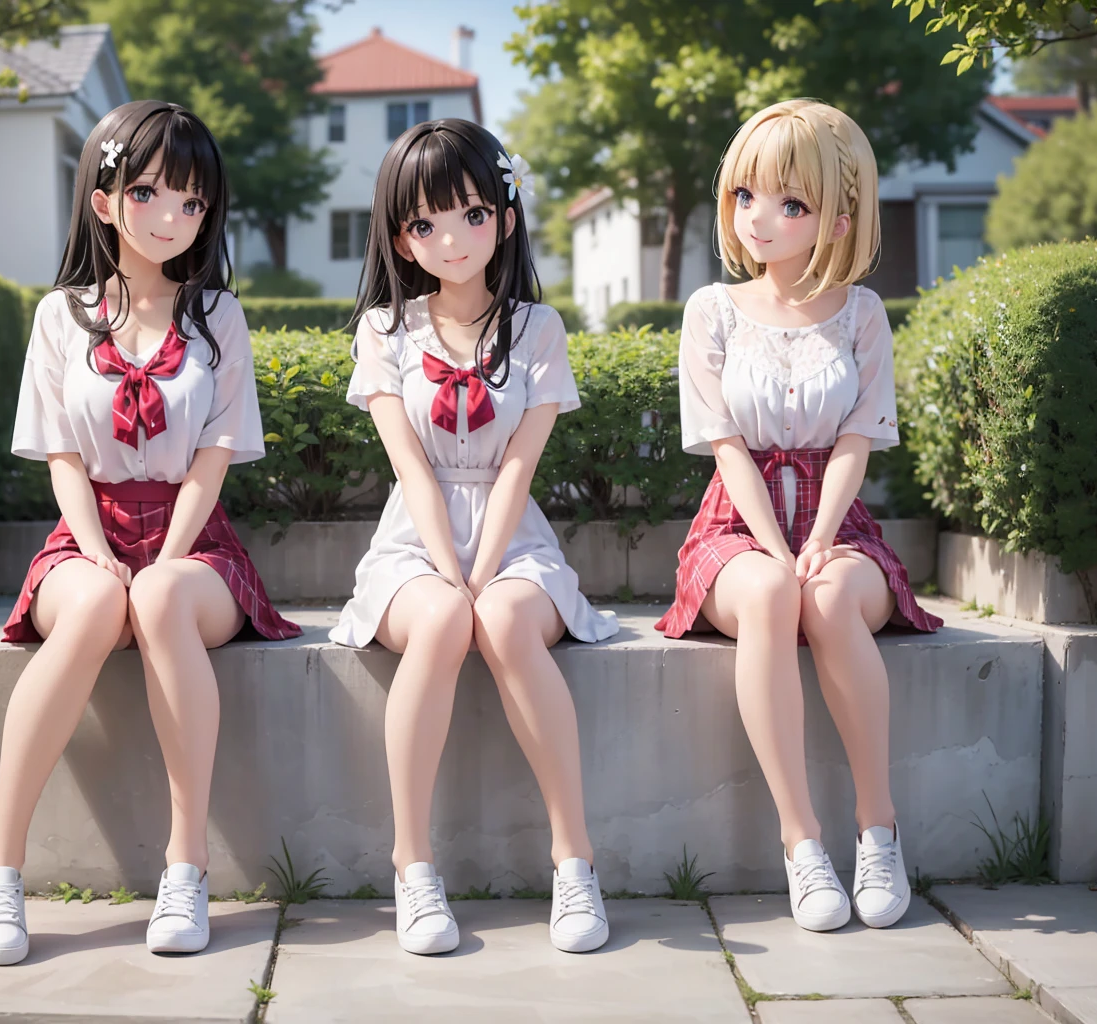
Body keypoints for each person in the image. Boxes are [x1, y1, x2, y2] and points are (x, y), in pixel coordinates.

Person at [0, 100, 299, 966]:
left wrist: (169, 552)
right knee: (90, 607)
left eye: (192, 203)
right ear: (104, 199)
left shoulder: (217, 315)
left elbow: (213, 460)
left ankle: (183, 867)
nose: (172, 218)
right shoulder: (60, 316)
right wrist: (99, 553)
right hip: (90, 527)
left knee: (157, 592)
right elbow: (64, 459)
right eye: (150, 192)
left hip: (199, 540)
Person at [329, 118, 617, 956]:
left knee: (498, 617)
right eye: (424, 224)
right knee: (449, 617)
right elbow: (412, 471)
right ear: (400, 240)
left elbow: (521, 468)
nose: (451, 238)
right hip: (413, 542)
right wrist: (451, 572)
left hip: (514, 537)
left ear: (506, 214)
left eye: (469, 214)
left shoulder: (538, 329)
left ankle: (574, 861)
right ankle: (412, 865)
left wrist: (485, 568)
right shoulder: (385, 332)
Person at [655, 98, 943, 933]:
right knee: (777, 596)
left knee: (825, 596)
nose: (759, 218)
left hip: (842, 524)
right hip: (735, 528)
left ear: (838, 218)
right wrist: (779, 549)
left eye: (791, 203)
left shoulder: (861, 314)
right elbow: (726, 448)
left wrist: (818, 540)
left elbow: (857, 439)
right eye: (746, 195)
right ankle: (801, 841)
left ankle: (879, 829)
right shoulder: (710, 310)